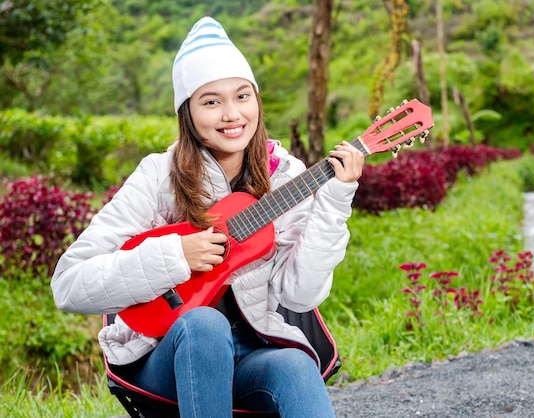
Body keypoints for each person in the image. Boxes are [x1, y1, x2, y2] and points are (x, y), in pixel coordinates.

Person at [51, 16, 364, 418]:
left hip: (252, 350)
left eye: (243, 96)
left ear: (257, 101)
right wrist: (176, 256)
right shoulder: (157, 176)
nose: (232, 114)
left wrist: (336, 198)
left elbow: (300, 295)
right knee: (204, 325)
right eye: (212, 101)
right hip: (164, 350)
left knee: (295, 363)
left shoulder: (286, 176)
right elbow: (69, 284)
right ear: (188, 112)